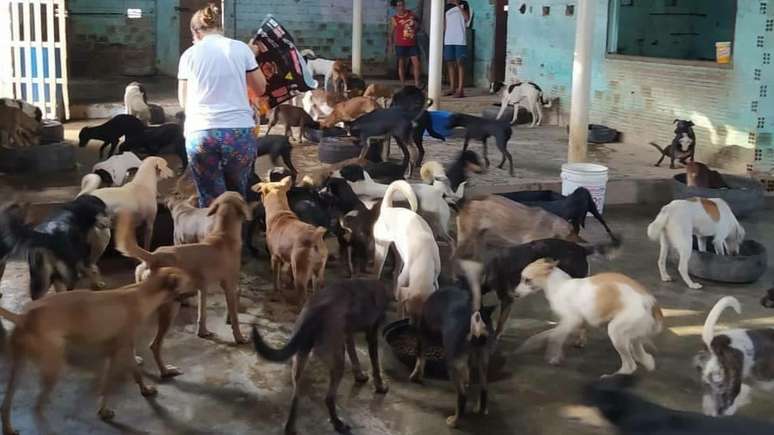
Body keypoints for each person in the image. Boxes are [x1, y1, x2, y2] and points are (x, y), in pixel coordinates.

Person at [177, 4, 266, 207]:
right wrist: (249, 57)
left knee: (210, 199)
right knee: (236, 196)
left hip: (201, 134)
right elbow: (260, 88)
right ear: (220, 28)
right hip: (238, 133)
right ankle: (236, 225)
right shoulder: (241, 49)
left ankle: (212, 226)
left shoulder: (188, 55)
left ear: (195, 32)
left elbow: (183, 101)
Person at [390, 0, 422, 87]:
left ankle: (417, 84)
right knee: (401, 64)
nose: (401, 7)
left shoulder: (411, 14)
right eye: (399, 5)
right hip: (400, 44)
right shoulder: (394, 18)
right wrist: (391, 46)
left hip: (412, 43)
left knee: (416, 64)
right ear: (395, 7)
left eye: (403, 5)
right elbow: (391, 33)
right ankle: (403, 84)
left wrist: (416, 25)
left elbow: (418, 23)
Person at [444, 0, 470, 98]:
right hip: (448, 39)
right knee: (450, 63)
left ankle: (460, 89)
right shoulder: (447, 6)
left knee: (460, 63)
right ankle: (452, 88)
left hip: (460, 39)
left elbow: (467, 18)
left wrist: (457, 5)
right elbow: (445, 23)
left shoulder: (464, 4)